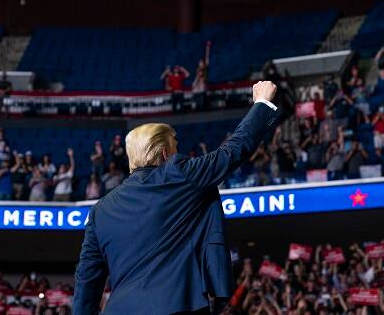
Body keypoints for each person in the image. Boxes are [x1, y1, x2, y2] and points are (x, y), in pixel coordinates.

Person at [73, 81, 278, 314]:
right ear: (164, 153)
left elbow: (86, 280)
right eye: (175, 148)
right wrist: (262, 103)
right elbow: (231, 153)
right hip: (176, 306)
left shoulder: (101, 210)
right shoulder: (178, 173)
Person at [192, 41, 211, 111]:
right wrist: (195, 83)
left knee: (203, 95)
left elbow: (207, 58)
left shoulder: (205, 68)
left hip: (204, 82)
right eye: (199, 62)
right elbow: (197, 77)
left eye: (201, 62)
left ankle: (203, 106)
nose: (200, 63)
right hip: (199, 83)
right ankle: (196, 106)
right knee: (198, 94)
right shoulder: (197, 69)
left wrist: (207, 48)